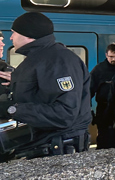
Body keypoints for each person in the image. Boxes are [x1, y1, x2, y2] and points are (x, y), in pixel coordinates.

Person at [0, 12, 92, 159]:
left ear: (29, 35)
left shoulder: (58, 60)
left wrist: (12, 110)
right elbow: (42, 91)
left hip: (57, 149)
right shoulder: (39, 58)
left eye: (14, 33)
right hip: (42, 143)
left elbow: (64, 113)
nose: (11, 38)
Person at [90, 43, 115, 148]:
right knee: (104, 139)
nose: (114, 59)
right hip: (104, 108)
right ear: (106, 55)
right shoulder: (99, 70)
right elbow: (89, 90)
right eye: (111, 57)